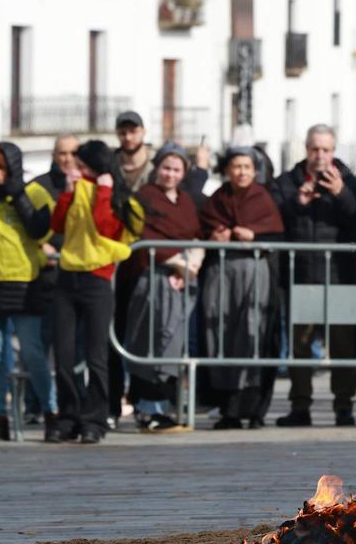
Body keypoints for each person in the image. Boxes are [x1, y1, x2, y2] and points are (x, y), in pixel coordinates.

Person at [111, 111, 209, 426]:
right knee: (148, 339)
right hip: (151, 277)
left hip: (182, 281)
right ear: (158, 169)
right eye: (166, 168)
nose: (170, 174)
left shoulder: (187, 201)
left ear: (183, 173)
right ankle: (146, 406)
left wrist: (192, 264)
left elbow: (196, 234)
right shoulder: (146, 196)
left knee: (173, 342)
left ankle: (163, 406)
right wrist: (178, 264)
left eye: (176, 169)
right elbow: (145, 236)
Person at [268, 124, 356, 427]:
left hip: (341, 275)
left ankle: (344, 406)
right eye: (314, 149)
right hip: (302, 276)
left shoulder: (349, 180)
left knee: (344, 346)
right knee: (300, 346)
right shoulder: (287, 182)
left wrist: (341, 193)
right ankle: (300, 406)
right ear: (306, 149)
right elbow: (273, 218)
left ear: (333, 151)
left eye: (326, 149)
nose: (320, 155)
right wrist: (297, 203)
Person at [49, 140, 144, 443]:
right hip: (67, 277)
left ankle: (95, 419)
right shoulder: (76, 188)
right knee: (64, 355)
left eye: (81, 165)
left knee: (96, 355)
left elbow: (105, 228)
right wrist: (67, 191)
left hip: (97, 279)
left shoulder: (117, 196)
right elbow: (57, 225)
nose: (75, 169)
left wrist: (103, 191)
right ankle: (68, 417)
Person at [0, 143, 58, 443]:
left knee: (32, 354)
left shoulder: (35, 193)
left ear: (13, 168)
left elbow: (41, 231)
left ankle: (51, 413)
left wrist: (18, 196)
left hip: (23, 283)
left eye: (1, 168)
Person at [200, 146, 285, 429]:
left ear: (255, 170)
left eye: (247, 167)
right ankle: (228, 410)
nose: (242, 172)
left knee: (252, 335)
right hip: (222, 275)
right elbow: (202, 227)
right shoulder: (217, 199)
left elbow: (276, 233)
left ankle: (253, 409)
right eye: (236, 166)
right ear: (227, 170)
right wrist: (215, 236)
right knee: (221, 333)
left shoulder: (263, 198)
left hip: (254, 275)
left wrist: (255, 235)